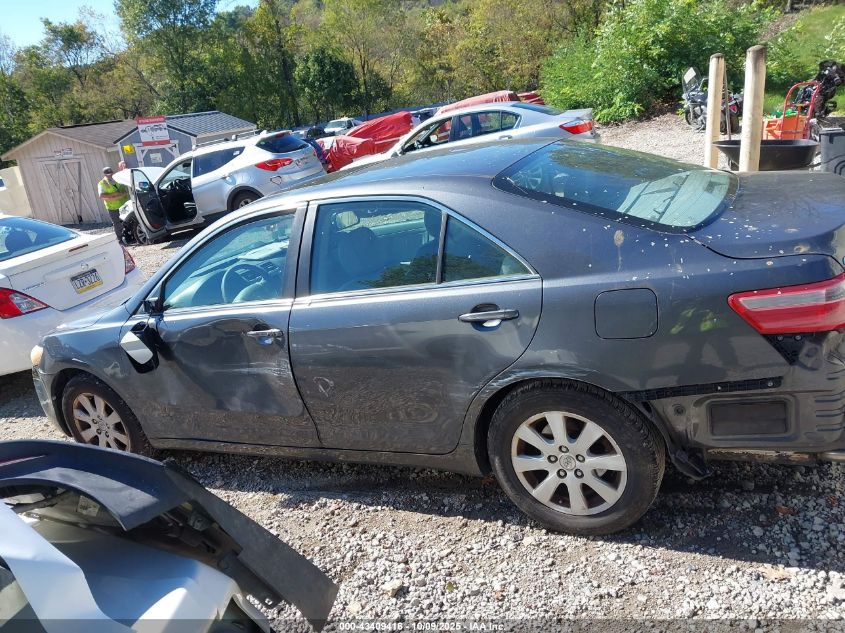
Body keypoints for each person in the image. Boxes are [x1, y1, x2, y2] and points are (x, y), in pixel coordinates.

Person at [98, 166, 129, 244]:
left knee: (127, 221)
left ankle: (129, 237)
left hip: (124, 205)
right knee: (117, 224)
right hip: (113, 207)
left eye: (111, 173)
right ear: (104, 174)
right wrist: (115, 195)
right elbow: (102, 196)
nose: (110, 175)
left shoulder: (118, 179)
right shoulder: (102, 183)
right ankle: (120, 239)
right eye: (108, 174)